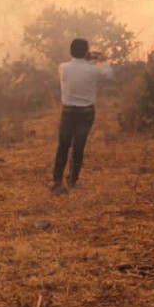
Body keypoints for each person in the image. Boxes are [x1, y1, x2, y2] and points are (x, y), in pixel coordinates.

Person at [51, 38, 113, 195]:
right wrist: (103, 60)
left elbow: (77, 65)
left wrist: (85, 57)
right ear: (86, 51)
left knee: (63, 145)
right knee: (78, 147)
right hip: (86, 113)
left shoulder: (63, 68)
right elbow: (108, 75)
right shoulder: (92, 69)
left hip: (68, 112)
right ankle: (72, 180)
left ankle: (57, 180)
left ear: (70, 51)